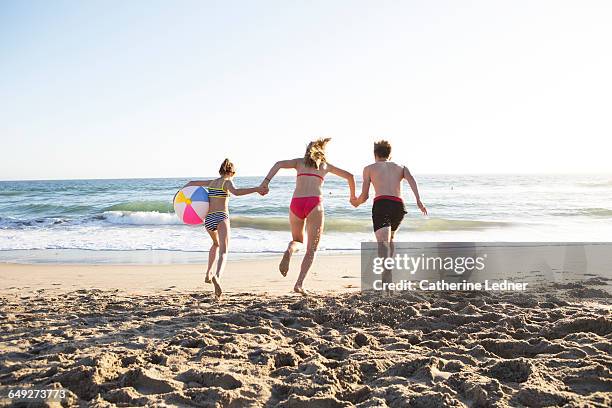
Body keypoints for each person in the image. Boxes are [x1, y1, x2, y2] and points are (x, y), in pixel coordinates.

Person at [260, 138, 356, 295]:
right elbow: (350, 176)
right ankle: (299, 284)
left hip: (296, 203)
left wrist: (266, 183)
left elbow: (278, 164)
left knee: (297, 241)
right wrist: (352, 197)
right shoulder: (325, 166)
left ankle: (289, 251)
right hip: (314, 204)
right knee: (312, 249)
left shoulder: (298, 163)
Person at [183, 159, 268, 298]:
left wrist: (179, 196)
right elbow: (237, 192)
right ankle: (217, 276)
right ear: (232, 172)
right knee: (224, 251)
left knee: (215, 244)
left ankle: (208, 273)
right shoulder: (227, 182)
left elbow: (191, 183)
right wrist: (257, 189)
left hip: (208, 219)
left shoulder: (212, 182)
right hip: (221, 217)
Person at [352, 140, 427, 287]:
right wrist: (419, 200)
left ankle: (386, 276)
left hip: (382, 204)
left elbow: (365, 195)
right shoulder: (401, 167)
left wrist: (356, 202)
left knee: (383, 243)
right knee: (390, 239)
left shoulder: (369, 168)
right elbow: (412, 180)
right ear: (389, 154)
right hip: (399, 206)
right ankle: (389, 269)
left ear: (375, 154)